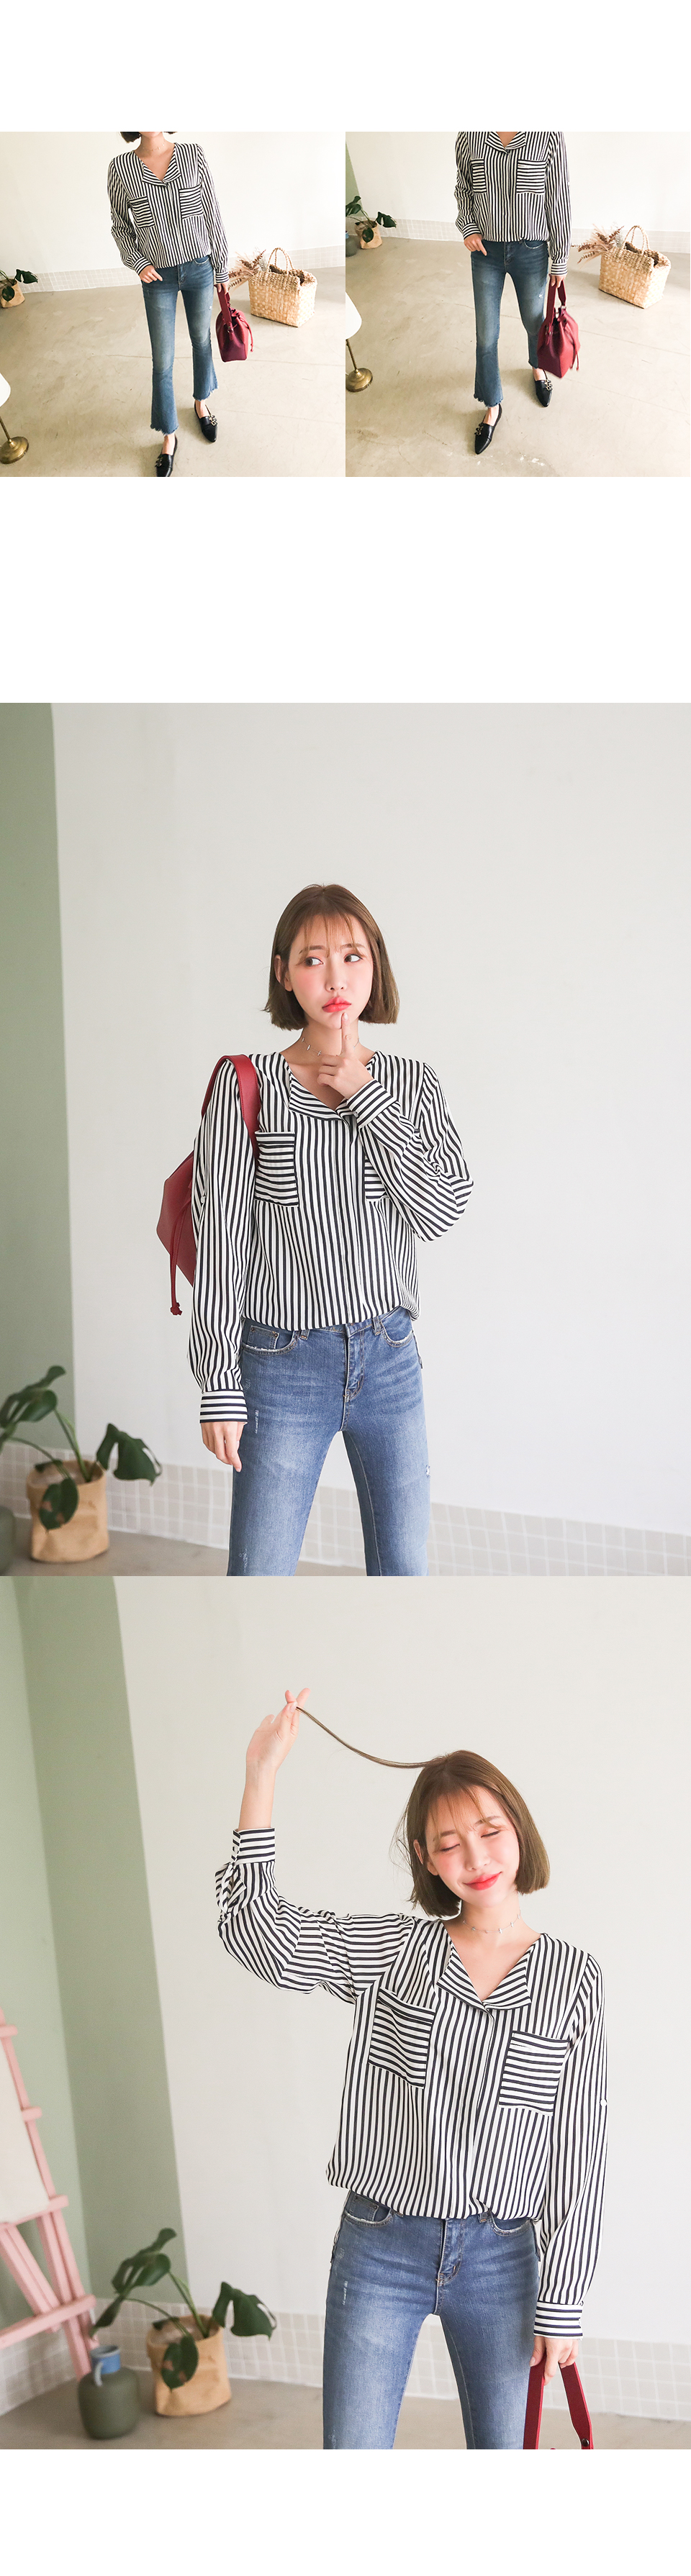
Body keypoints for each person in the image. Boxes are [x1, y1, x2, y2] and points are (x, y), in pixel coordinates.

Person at [217, 1691, 608, 2450]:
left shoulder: (573, 1978)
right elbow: (259, 1934)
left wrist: (563, 2302)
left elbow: (578, 2151)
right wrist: (260, 1777)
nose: (477, 1858)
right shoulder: (397, 1951)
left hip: (502, 2256)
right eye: (450, 1843)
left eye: (489, 1831)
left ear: (518, 1829)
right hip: (380, 2244)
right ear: (427, 1859)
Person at [189, 884, 472, 1577]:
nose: (336, 978)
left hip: (390, 1356)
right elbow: (221, 1241)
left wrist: (363, 1094)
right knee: (259, 1575)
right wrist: (218, 1382)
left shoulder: (412, 1084)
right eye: (313, 959)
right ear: (284, 973)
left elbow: (439, 1211)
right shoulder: (248, 1085)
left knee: (404, 1572)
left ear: (376, 966)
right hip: (281, 1363)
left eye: (353, 956)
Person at [107, 132, 230, 477]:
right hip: (157, 277)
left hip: (199, 268)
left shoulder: (193, 154)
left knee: (201, 339)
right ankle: (169, 434)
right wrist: (137, 262)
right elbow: (120, 225)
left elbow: (212, 214)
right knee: (162, 358)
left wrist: (220, 267)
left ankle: (201, 404)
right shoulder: (120, 167)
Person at [455, 132, 572, 454]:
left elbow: (558, 198)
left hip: (531, 251)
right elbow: (463, 187)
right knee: (486, 333)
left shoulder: (547, 134)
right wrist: (468, 227)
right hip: (486, 252)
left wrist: (560, 257)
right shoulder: (470, 134)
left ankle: (537, 367)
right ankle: (492, 405)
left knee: (534, 321)